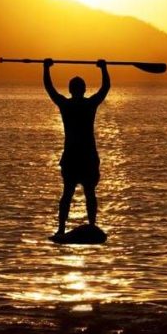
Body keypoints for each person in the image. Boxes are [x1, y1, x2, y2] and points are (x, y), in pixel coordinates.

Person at [43, 58, 110, 238]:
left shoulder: (66, 105)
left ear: (71, 90)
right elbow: (105, 89)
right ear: (83, 90)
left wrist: (46, 68)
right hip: (85, 157)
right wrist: (104, 69)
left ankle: (62, 229)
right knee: (88, 193)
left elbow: (49, 89)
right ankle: (91, 225)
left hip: (75, 157)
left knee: (69, 194)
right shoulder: (89, 105)